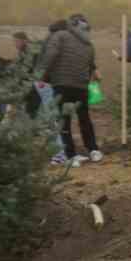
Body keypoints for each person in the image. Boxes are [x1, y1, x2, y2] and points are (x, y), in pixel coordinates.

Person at [38, 14, 101, 165]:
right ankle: (93, 149)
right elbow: (91, 64)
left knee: (63, 120)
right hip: (81, 85)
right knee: (84, 118)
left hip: (62, 83)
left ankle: (70, 155)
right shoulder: (88, 43)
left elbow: (51, 55)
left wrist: (41, 75)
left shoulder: (60, 36)